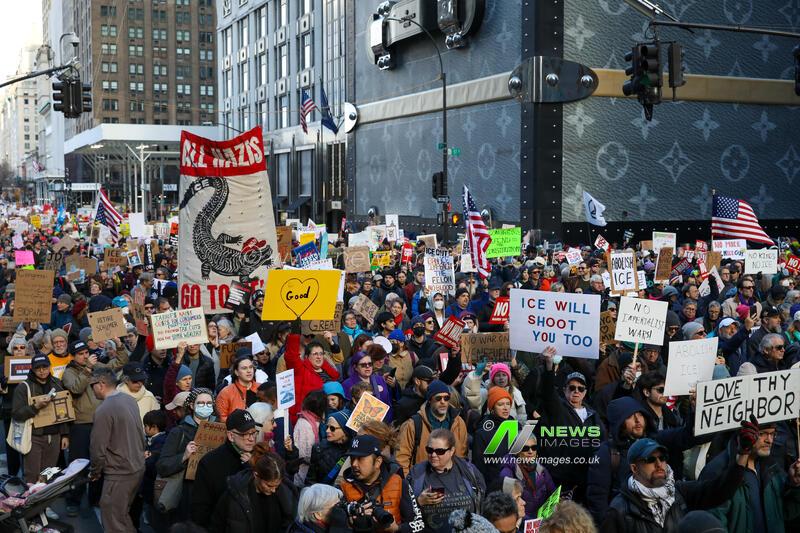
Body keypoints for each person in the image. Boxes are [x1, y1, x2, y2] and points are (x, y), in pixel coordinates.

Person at [601, 435, 752, 532]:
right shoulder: (619, 509)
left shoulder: (679, 492)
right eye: (650, 460)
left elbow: (720, 490)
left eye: (662, 458)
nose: (659, 464)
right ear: (634, 468)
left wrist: (742, 455)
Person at [699, 419, 800, 532]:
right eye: (762, 434)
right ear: (742, 433)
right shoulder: (717, 472)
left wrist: (794, 485)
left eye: (772, 434)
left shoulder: (771, 467)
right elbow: (712, 525)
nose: (770, 440)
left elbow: (785, 513)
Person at [88, 367, 146, 533]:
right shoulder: (129, 400)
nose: (91, 390)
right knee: (122, 516)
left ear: (101, 384)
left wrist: (95, 471)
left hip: (120, 472)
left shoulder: (104, 409)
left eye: (92, 385)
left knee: (113, 520)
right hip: (136, 466)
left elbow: (98, 448)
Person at [340, 434, 425, 533]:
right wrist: (350, 523)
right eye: (352, 458)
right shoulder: (343, 488)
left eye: (360, 458)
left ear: (378, 462)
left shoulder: (400, 483)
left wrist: (397, 529)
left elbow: (419, 524)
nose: (354, 464)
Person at [156, 387, 216, 522]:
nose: (205, 406)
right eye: (201, 403)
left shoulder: (220, 431)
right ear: (192, 406)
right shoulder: (178, 432)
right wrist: (184, 456)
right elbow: (162, 465)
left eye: (209, 403)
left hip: (210, 495)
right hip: (186, 495)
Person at [191, 409, 259, 527]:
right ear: (231, 436)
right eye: (245, 434)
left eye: (253, 433)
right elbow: (200, 509)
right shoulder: (210, 463)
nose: (251, 438)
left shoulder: (260, 458)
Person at [407, 429, 486, 530]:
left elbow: (481, 501)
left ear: (452, 451)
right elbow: (405, 514)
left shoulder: (469, 471)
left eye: (440, 451)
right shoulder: (416, 474)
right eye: (429, 450)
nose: (433, 455)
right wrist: (418, 502)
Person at [210, 443, 299, 532]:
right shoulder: (235, 494)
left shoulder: (286, 495)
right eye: (269, 485)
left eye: (277, 486)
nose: (273, 490)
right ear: (256, 475)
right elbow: (216, 526)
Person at [11, 355, 69, 485]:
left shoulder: (57, 383)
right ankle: (31, 498)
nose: (42, 371)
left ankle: (44, 498)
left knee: (47, 476)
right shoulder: (24, 387)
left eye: (45, 367)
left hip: (54, 436)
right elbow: (16, 414)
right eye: (38, 368)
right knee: (32, 476)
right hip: (34, 437)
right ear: (32, 369)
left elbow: (64, 411)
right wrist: (35, 407)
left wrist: (65, 434)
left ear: (50, 367)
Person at [396, 380, 468, 475]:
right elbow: (402, 459)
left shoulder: (459, 422)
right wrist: (410, 481)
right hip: (422, 478)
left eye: (446, 398)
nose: (443, 402)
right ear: (430, 400)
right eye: (438, 398)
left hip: (451, 478)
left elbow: (462, 455)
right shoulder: (413, 424)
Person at [472, 386, 517, 491]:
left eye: (508, 404)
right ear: (492, 408)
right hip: (495, 487)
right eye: (500, 404)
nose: (506, 408)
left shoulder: (516, 426)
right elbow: (479, 467)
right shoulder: (482, 433)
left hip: (517, 484)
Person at [499, 435, 556, 517]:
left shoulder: (541, 469)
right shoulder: (507, 473)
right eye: (525, 448)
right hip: (522, 521)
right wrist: (531, 522)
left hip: (542, 519)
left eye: (534, 447)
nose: (530, 451)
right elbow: (509, 507)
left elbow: (553, 492)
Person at [305, 410, 354, 486]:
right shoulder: (319, 448)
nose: (327, 431)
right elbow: (310, 479)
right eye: (327, 427)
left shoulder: (354, 451)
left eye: (332, 428)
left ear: (345, 430)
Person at [216, 356, 260, 422]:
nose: (249, 371)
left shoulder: (261, 388)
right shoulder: (226, 392)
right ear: (236, 372)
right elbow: (222, 418)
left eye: (251, 367)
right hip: (235, 428)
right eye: (244, 368)